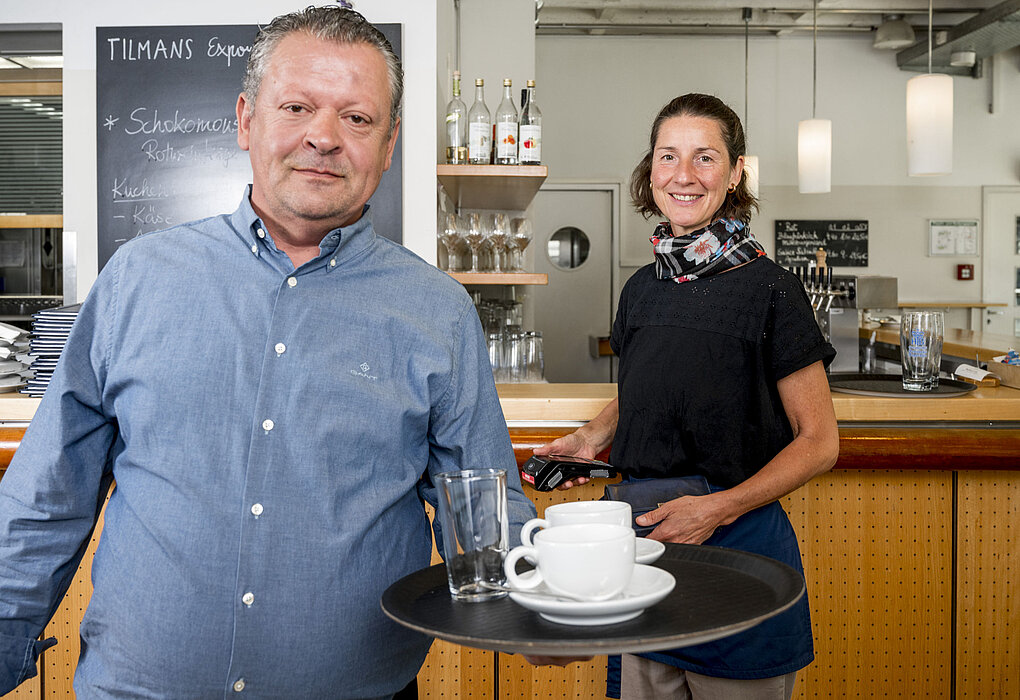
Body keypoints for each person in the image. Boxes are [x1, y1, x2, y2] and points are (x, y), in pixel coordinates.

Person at [0, 7, 535, 699]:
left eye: (358, 119)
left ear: (390, 141)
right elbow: (48, 497)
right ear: (247, 119)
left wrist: (533, 613)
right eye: (297, 107)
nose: (324, 137)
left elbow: (484, 511)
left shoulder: (438, 312)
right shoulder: (137, 278)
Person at [534, 93, 839, 699]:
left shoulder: (771, 289)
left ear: (734, 174)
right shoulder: (643, 289)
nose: (684, 174)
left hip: (739, 552)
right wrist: (593, 437)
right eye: (667, 156)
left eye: (705, 157)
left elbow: (819, 442)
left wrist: (719, 508)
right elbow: (655, 384)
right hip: (646, 552)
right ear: (650, 171)